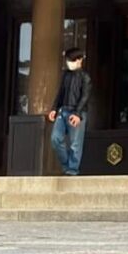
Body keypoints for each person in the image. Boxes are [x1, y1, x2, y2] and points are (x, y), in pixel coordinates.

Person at [47, 48, 91, 176]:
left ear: (79, 60)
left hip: (77, 112)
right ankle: (67, 165)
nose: (69, 63)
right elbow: (60, 93)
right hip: (63, 110)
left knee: (75, 144)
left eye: (71, 60)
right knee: (55, 139)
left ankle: (72, 170)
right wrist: (54, 109)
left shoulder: (85, 77)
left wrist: (77, 114)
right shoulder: (65, 75)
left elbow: (85, 97)